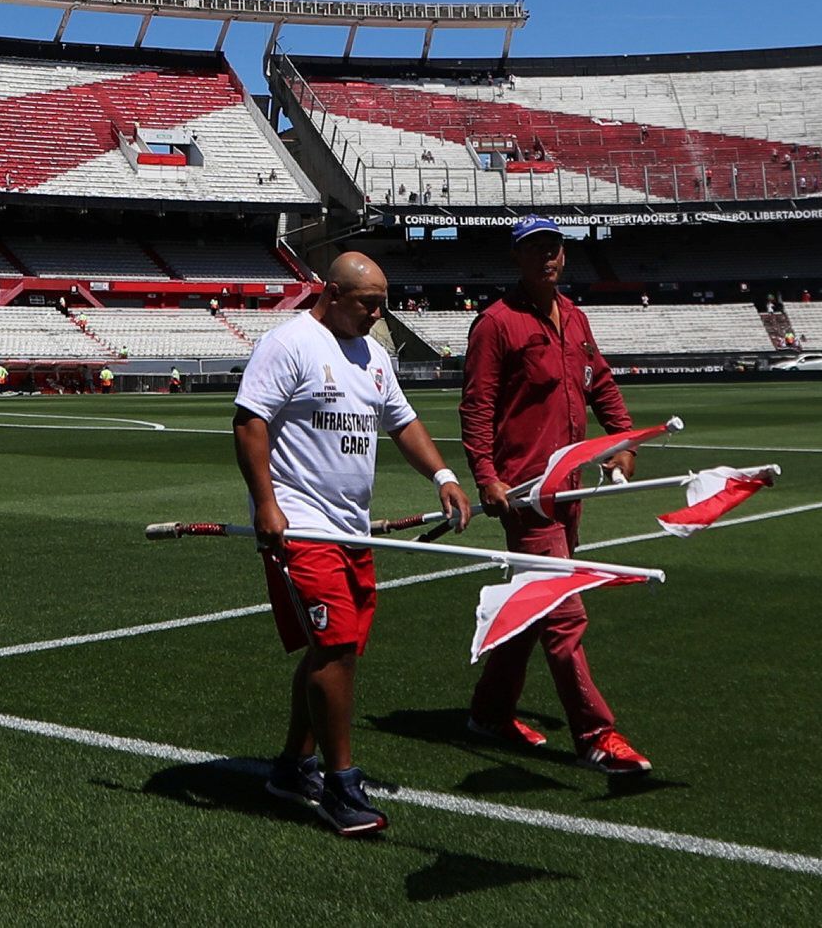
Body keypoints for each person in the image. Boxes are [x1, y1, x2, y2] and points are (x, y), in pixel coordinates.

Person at [234, 251, 469, 838]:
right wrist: (267, 504)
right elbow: (250, 421)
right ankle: (341, 783)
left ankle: (293, 767)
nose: (377, 315)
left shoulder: (374, 355)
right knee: (334, 644)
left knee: (335, 649)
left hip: (352, 527)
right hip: (301, 525)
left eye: (382, 305)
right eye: (369, 304)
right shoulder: (289, 344)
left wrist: (442, 475)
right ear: (332, 294)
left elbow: (402, 422)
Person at [461, 214, 652, 773]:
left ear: (564, 255)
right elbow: (477, 407)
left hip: (569, 489)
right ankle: (596, 734)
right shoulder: (496, 324)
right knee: (565, 612)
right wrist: (485, 475)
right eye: (534, 249)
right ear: (516, 258)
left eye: (554, 248)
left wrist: (624, 441)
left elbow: (601, 382)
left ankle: (489, 712)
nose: (547, 257)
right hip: (526, 495)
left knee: (533, 607)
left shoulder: (574, 316)